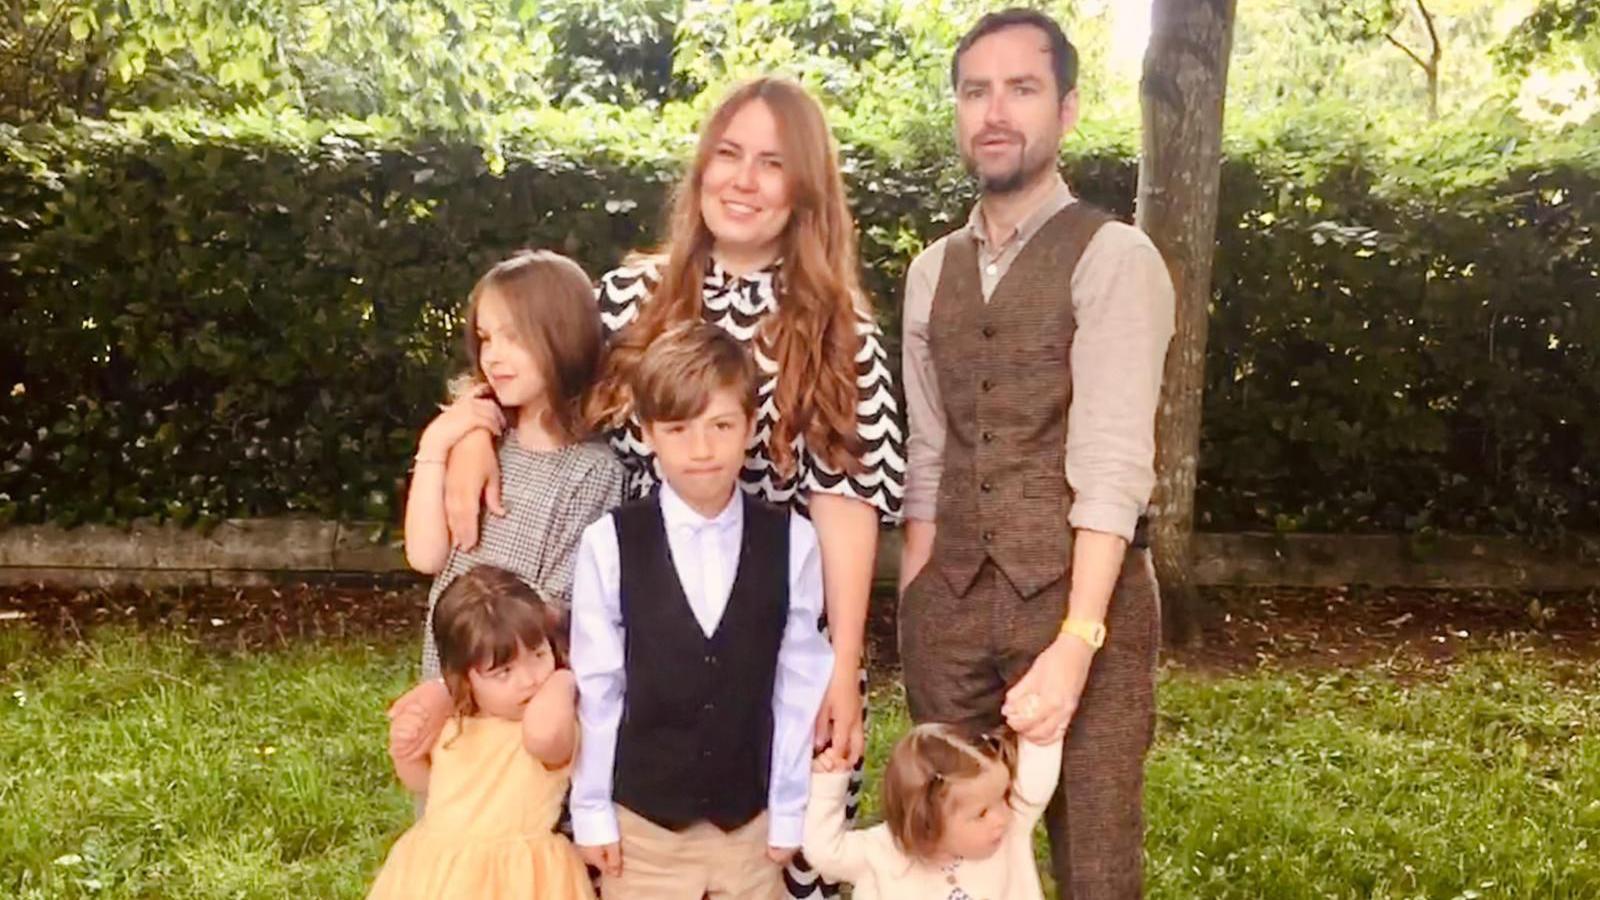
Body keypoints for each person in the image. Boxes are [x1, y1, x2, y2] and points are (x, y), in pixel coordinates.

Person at [443, 76, 905, 899]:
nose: (743, 179)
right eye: (727, 155)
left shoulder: (840, 329)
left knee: (776, 861)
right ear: (699, 170)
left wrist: (841, 665)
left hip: (775, 644)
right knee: (615, 858)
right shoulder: (628, 300)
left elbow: (847, 504)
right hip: (635, 634)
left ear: (805, 188)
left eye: (771, 163)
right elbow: (534, 386)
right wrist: (469, 428)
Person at [896, 9, 1175, 899]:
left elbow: (1114, 469)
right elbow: (929, 453)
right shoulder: (929, 270)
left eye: (1022, 88)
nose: (995, 112)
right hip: (952, 609)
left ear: (1068, 108)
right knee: (945, 864)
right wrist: (918, 599)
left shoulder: (1115, 257)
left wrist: (1076, 643)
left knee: (1093, 864)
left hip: (1078, 605)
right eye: (976, 91)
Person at [568, 322, 834, 899]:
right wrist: (590, 810)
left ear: (749, 426)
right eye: (679, 429)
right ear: (647, 432)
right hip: (645, 831)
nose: (702, 448)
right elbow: (598, 687)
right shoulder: (610, 545)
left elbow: (798, 686)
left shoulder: (792, 543)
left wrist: (788, 809)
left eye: (721, 425)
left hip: (750, 828)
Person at [398, 248, 626, 684]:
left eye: (514, 337)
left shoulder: (593, 471)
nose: (493, 356)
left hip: (519, 684)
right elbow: (426, 556)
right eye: (485, 338)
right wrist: (434, 444)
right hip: (449, 671)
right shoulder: (478, 437)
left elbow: (557, 607)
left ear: (563, 337)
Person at [369, 566, 595, 900]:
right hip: (438, 872)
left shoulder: (551, 719)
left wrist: (563, 679)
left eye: (538, 654)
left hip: (522, 879)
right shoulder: (454, 722)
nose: (530, 678)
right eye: (503, 672)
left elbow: (544, 739)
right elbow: (428, 786)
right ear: (464, 679)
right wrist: (405, 750)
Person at [802, 723, 1062, 900]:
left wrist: (1039, 721)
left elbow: (1036, 779)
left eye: (1003, 797)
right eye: (981, 813)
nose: (1002, 816)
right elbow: (823, 850)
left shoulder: (1007, 834)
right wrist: (828, 782)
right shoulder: (879, 854)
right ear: (927, 821)